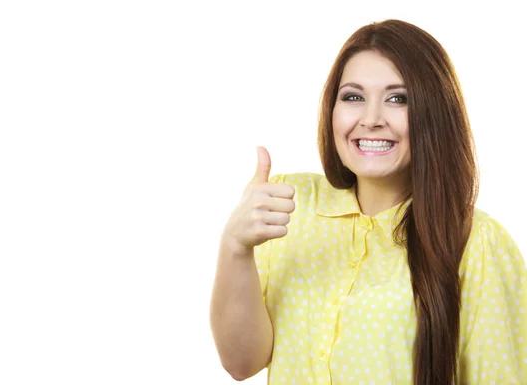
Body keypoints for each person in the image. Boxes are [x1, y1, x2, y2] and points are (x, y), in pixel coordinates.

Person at [209, 19, 527, 385]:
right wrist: (235, 247)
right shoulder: (288, 206)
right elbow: (241, 362)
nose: (371, 119)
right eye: (353, 97)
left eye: (397, 99)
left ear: (434, 114)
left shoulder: (478, 243)